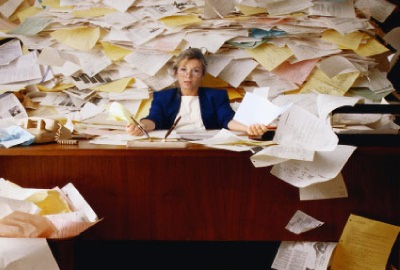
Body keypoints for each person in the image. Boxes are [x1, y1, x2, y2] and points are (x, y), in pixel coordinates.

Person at [126, 47, 268, 136]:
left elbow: (227, 119)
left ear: (202, 75)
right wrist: (141, 126)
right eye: (183, 70)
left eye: (195, 71)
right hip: (174, 147)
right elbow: (154, 119)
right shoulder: (163, 97)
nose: (188, 75)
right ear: (176, 73)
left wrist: (248, 128)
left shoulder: (216, 96)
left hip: (206, 147)